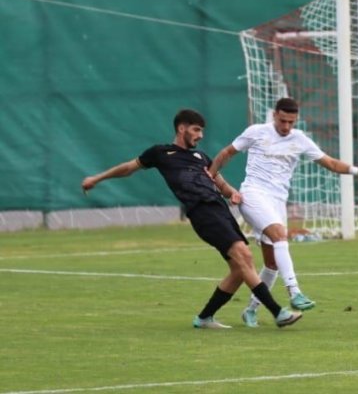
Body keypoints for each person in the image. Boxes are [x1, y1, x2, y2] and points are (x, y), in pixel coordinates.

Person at [81, 108, 302, 330]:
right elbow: (128, 168)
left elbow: (221, 184)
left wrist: (233, 193)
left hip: (221, 210)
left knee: (238, 268)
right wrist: (97, 179)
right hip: (202, 212)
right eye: (196, 130)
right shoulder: (160, 153)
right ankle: (277, 312)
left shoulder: (201, 157)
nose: (200, 135)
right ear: (181, 128)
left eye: (202, 131)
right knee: (244, 256)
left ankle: (205, 318)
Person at [209, 97, 358, 328]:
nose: (286, 126)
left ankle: (250, 310)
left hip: (278, 203)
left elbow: (329, 162)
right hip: (254, 194)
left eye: (291, 122)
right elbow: (227, 152)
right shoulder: (257, 132)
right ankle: (295, 292)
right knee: (280, 236)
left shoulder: (300, 139)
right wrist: (211, 175)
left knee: (272, 264)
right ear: (274, 115)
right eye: (282, 120)